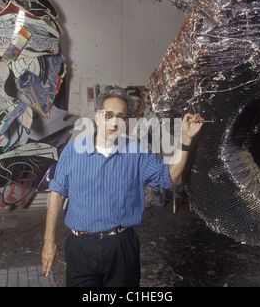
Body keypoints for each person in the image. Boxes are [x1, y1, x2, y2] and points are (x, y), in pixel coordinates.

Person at [42, 87, 204, 287]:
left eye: (121, 116)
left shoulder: (137, 153)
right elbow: (57, 195)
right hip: (81, 247)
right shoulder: (73, 152)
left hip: (121, 246)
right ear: (97, 118)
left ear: (126, 123)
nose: (114, 121)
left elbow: (168, 177)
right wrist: (49, 242)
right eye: (108, 115)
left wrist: (186, 139)